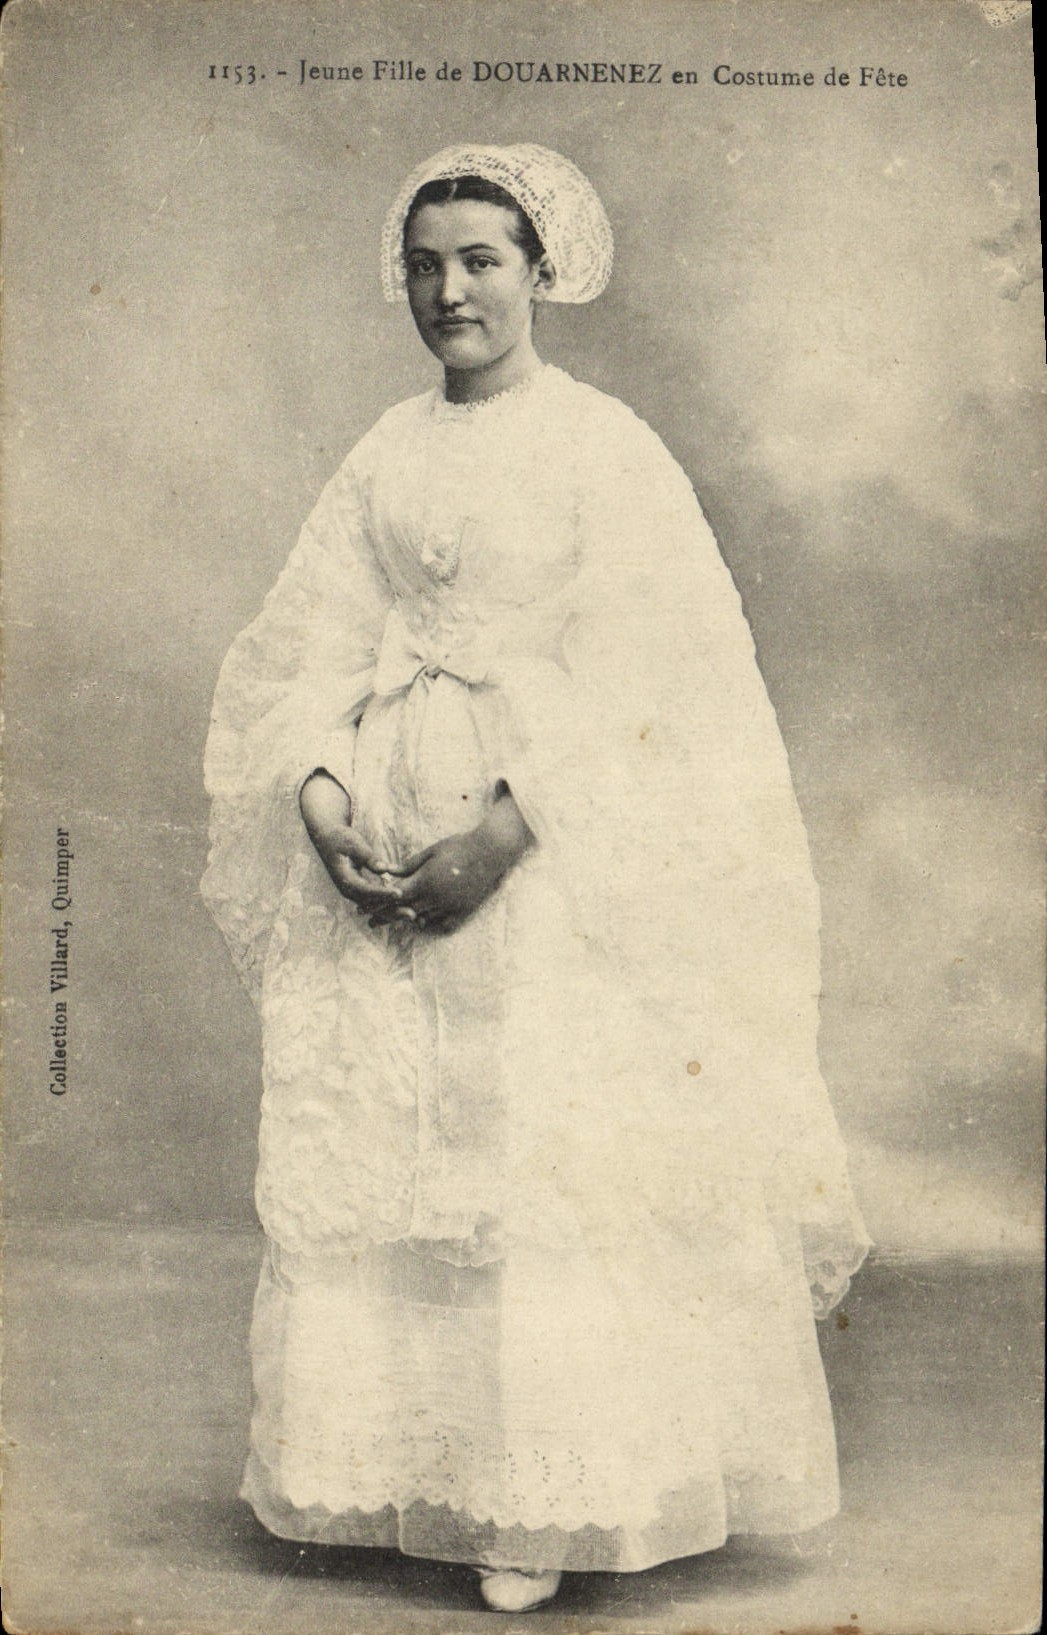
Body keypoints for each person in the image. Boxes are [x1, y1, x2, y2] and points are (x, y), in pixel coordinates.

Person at [201, 142, 870, 1616]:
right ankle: (411, 1472)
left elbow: (662, 679)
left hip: (551, 857)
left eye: (481, 260)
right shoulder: (384, 450)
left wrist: (506, 835)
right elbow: (302, 646)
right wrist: (320, 804)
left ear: (542, 270)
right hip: (383, 855)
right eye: (428, 264)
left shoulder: (603, 448)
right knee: (398, 1149)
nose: (451, 291)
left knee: (538, 1162)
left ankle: (541, 1504)